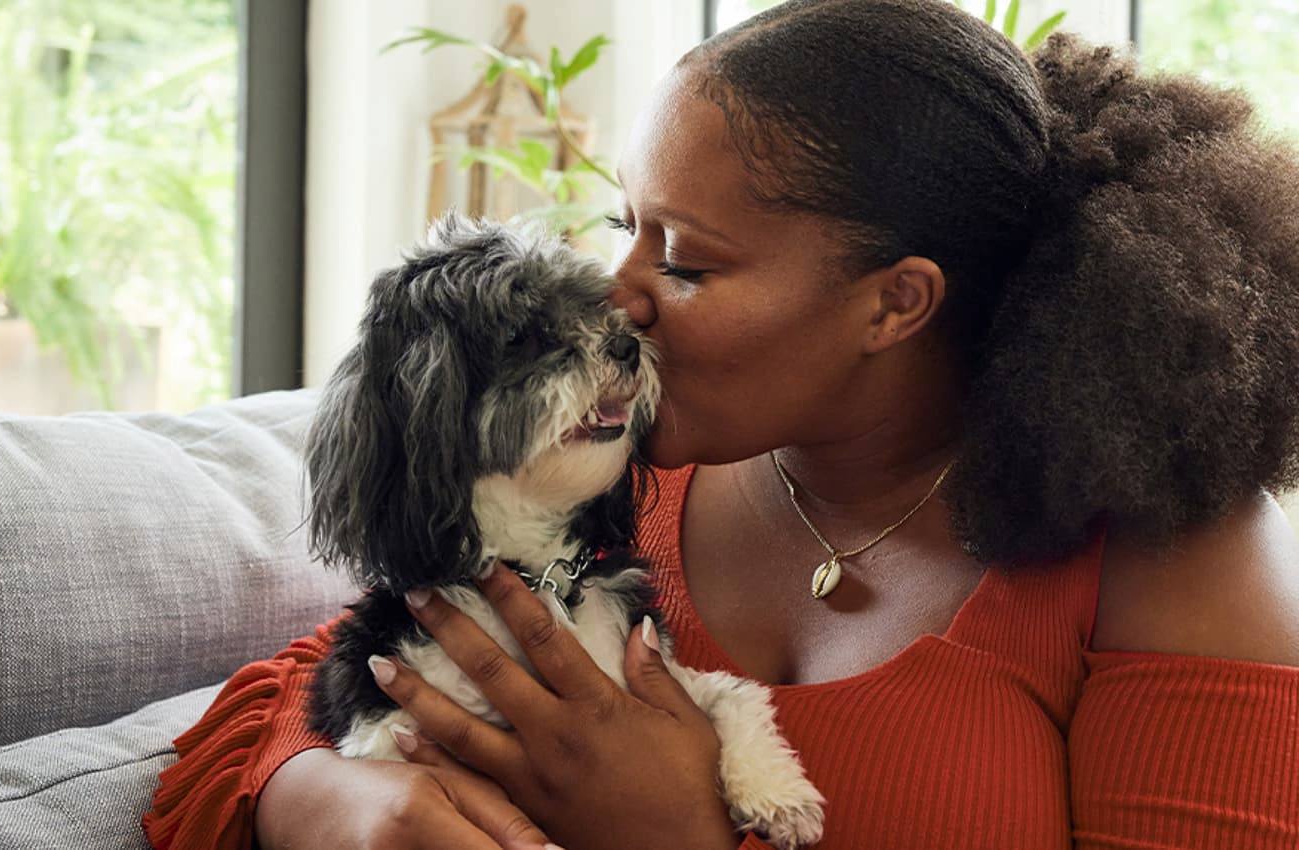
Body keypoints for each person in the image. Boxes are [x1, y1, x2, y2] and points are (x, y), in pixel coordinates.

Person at [143, 0, 1299, 847]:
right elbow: (301, 690)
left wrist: (682, 836)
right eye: (625, 224)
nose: (615, 294)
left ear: (895, 301)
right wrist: (338, 804)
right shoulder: (599, 471)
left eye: (684, 261)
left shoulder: (1167, 548)